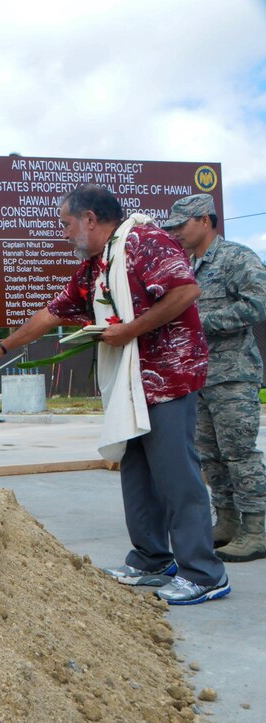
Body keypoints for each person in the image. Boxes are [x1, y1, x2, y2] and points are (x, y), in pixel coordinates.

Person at [0, 184, 229, 605]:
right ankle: (151, 560)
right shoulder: (97, 266)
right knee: (137, 473)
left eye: (67, 224)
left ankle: (204, 573)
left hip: (167, 378)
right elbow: (52, 312)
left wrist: (128, 330)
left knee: (177, 477)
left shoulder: (145, 241)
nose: (65, 233)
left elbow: (185, 292)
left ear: (90, 219)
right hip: (130, 384)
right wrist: (2, 347)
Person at [162, 193, 266, 562]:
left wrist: (202, 323)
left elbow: (258, 303)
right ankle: (227, 522)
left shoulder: (237, 257)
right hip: (200, 376)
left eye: (182, 225)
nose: (176, 232)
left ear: (205, 220)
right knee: (210, 456)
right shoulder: (187, 264)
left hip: (233, 374)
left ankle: (257, 529)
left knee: (239, 453)